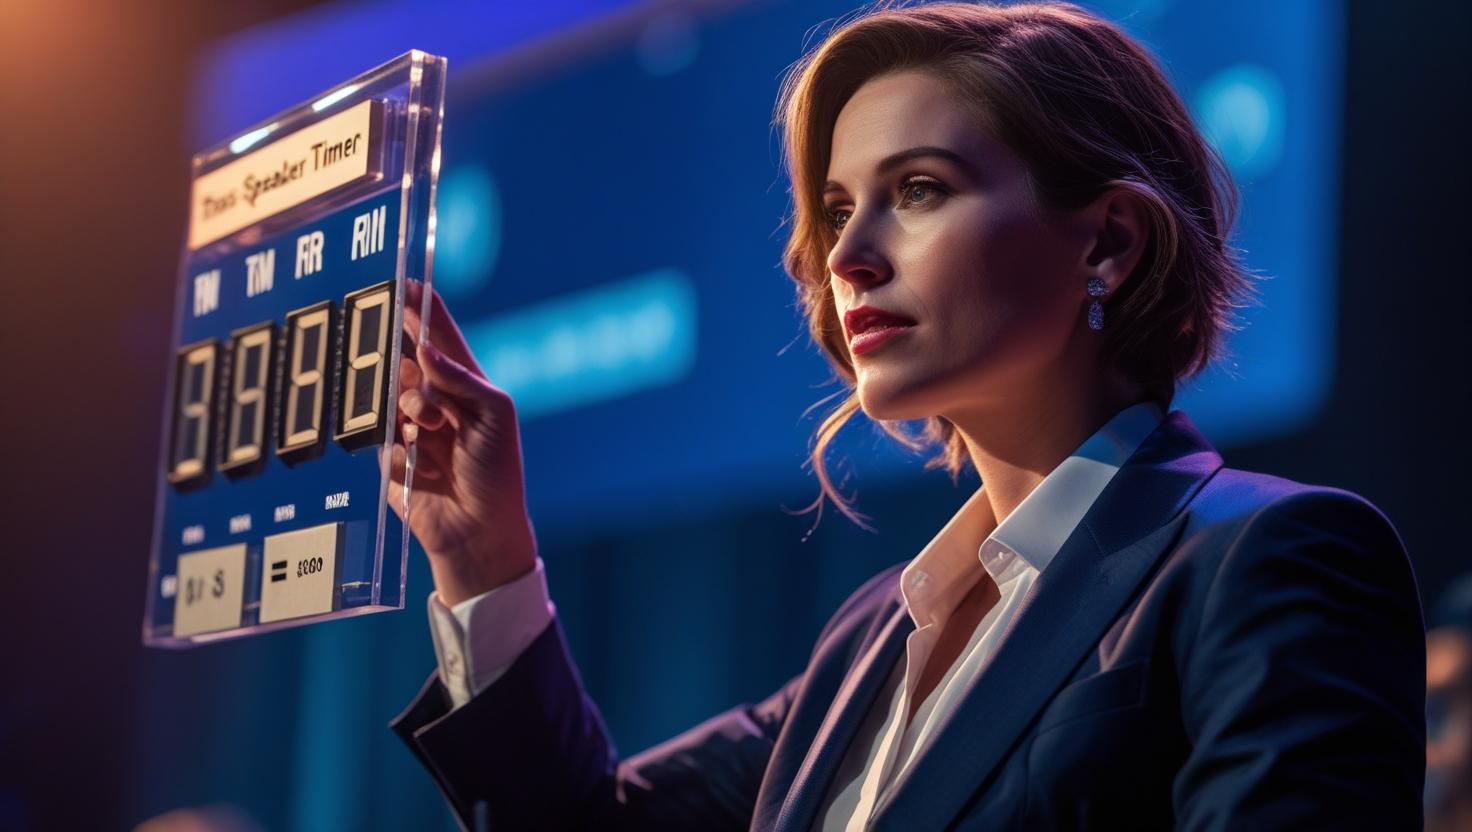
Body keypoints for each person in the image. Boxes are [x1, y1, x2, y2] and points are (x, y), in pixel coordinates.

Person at [387, 3, 1426, 829]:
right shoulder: (869, 637)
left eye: (919, 189)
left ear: (1107, 243)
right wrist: (484, 560)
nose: (845, 255)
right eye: (838, 208)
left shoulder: (1267, 559)